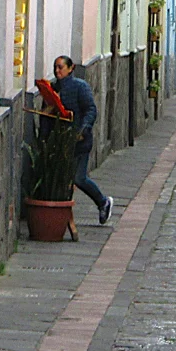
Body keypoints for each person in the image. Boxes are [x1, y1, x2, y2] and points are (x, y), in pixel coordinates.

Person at [53, 55, 112, 225]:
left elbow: (91, 110)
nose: (57, 71)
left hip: (80, 141)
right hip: (61, 142)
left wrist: (83, 129)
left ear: (71, 68)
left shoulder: (80, 86)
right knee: (63, 179)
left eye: (60, 67)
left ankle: (103, 202)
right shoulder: (54, 88)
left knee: (79, 178)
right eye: (55, 68)